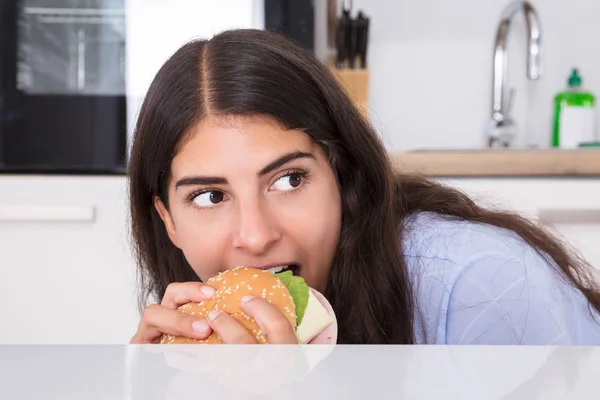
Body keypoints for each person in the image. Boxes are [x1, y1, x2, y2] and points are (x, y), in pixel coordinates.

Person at [127, 29, 600, 345]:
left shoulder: (477, 281)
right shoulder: (200, 345)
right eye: (210, 196)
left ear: (342, 176)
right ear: (167, 219)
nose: (255, 235)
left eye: (289, 180)